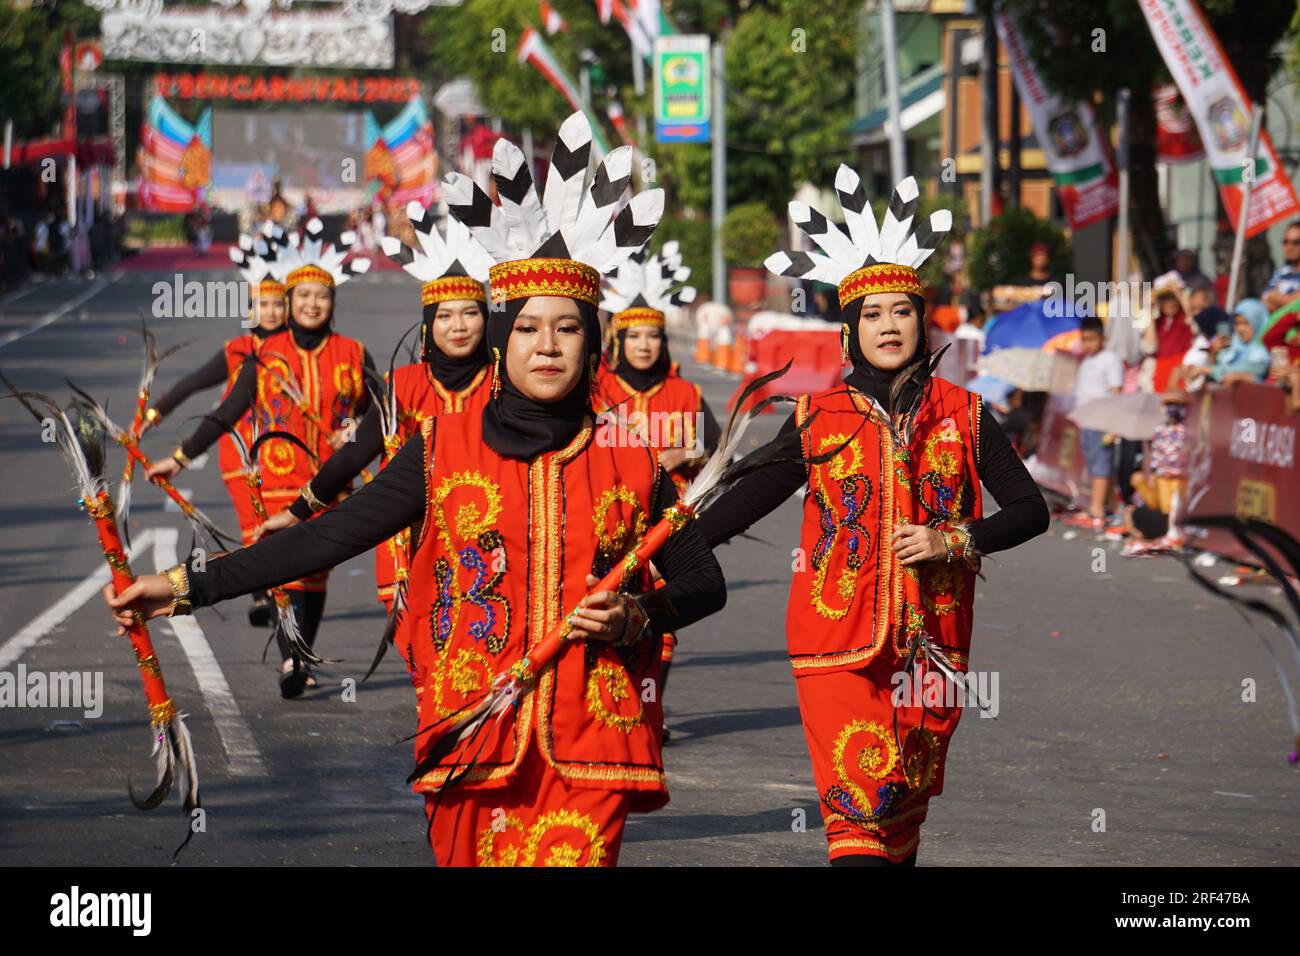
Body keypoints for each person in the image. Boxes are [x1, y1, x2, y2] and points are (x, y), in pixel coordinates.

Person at [103, 111, 726, 868]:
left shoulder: (630, 457)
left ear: (593, 342)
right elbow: (334, 534)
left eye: (568, 329)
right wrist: (185, 586)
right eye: (528, 329)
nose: (549, 346)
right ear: (505, 340)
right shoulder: (441, 445)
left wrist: (636, 615)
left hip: (589, 744)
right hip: (470, 731)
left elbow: (703, 581)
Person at [702, 169, 1049, 865]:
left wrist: (951, 538)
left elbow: (1030, 511)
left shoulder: (965, 413)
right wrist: (665, 542)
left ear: (924, 321)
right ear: (849, 332)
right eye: (872, 314)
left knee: (898, 820)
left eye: (902, 310)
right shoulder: (818, 416)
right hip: (836, 642)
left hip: (933, 645)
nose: (888, 325)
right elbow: (746, 497)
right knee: (856, 821)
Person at [146, 218, 373, 697]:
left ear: (333, 304)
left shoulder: (354, 352)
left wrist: (354, 429)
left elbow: (383, 410)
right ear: (290, 304)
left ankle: (300, 653)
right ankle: (292, 658)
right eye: (303, 296)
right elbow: (227, 413)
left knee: (315, 572)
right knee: (282, 568)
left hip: (330, 483)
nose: (312, 304)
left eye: (322, 296)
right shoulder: (264, 354)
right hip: (271, 481)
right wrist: (180, 458)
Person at [256, 202, 494, 630]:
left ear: (487, 320)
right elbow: (353, 456)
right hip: (412, 548)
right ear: (428, 324)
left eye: (470, 313)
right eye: (445, 315)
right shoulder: (403, 385)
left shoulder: (504, 385)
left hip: (490, 547)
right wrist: (296, 512)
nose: (458, 325)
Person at [593, 243, 723, 738]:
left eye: (653, 336)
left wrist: (684, 454)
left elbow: (715, 447)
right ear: (616, 339)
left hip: (670, 522)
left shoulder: (684, 392)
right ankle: (609, 704)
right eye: (635, 336)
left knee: (661, 615)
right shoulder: (597, 387)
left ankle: (650, 711)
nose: (644, 345)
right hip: (610, 518)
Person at [143, 225, 289, 625]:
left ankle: (288, 587)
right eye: (263, 304)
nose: (272, 312)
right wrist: (155, 413)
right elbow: (193, 384)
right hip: (240, 452)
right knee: (254, 523)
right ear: (250, 311)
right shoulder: (238, 350)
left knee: (287, 524)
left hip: (289, 452)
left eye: (279, 304)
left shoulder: (297, 350)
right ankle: (262, 593)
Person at [1070, 316, 1125, 533]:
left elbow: (1115, 392)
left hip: (1102, 419)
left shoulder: (1110, 359)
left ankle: (1096, 510)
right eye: (1084, 339)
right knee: (1095, 465)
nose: (1088, 344)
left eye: (1092, 339)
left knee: (1101, 465)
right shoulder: (1086, 361)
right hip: (1087, 420)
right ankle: (1110, 505)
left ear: (1103, 337)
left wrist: (1112, 426)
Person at [1193, 299, 1273, 386]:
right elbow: (1208, 374)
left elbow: (1248, 370)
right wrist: (1214, 353)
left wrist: (1209, 370)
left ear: (1257, 322)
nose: (1240, 329)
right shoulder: (1233, 348)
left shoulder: (1262, 353)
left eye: (1246, 323)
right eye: (1237, 323)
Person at [1143, 285, 1194, 393]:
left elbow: (1191, 316)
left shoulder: (1183, 318)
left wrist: (1178, 292)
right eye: (1165, 299)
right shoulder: (1158, 322)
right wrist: (1150, 311)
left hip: (1179, 366)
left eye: (1173, 298)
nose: (1170, 303)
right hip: (1161, 368)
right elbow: (1150, 346)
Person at [1261, 220, 1300, 314]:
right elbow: (1266, 300)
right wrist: (1291, 299)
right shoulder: (1281, 273)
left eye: (1296, 242)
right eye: (1285, 242)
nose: (1289, 247)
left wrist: (1277, 299)